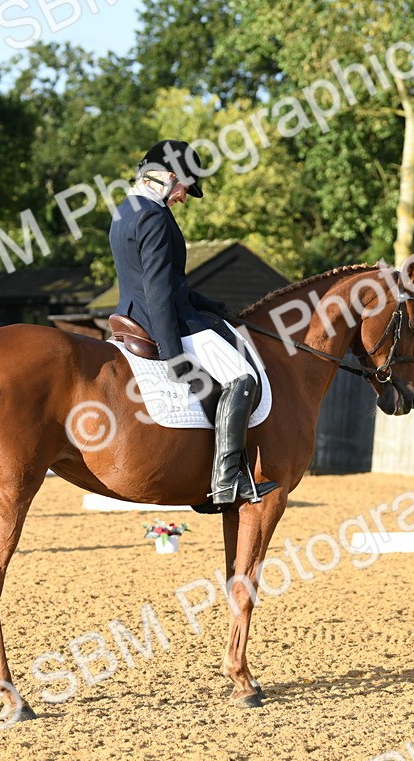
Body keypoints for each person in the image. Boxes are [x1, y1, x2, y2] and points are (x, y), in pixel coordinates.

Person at [109, 140, 277, 508]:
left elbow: (163, 282)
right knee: (242, 378)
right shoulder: (154, 216)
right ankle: (227, 479)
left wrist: (211, 306)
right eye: (185, 187)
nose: (184, 197)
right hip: (164, 321)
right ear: (170, 176)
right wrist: (172, 352)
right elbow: (157, 289)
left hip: (134, 312)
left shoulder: (125, 210)